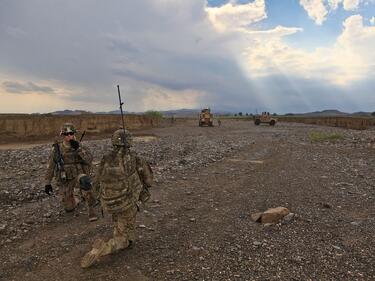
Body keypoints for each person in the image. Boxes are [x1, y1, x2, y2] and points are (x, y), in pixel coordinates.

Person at [80, 128, 153, 268]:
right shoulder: (135, 158)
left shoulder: (106, 158)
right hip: (127, 202)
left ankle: (118, 233)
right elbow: (149, 181)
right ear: (130, 142)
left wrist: (95, 198)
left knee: (119, 220)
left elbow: (96, 181)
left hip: (109, 202)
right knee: (127, 239)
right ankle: (105, 248)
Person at [44, 123, 98, 221]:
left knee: (85, 181)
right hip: (66, 181)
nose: (69, 136)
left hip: (79, 177)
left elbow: (89, 160)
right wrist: (47, 182)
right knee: (69, 208)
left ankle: (91, 209)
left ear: (74, 134)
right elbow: (51, 166)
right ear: (63, 135)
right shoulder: (58, 149)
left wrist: (78, 149)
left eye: (71, 133)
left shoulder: (80, 146)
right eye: (66, 134)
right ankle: (76, 197)